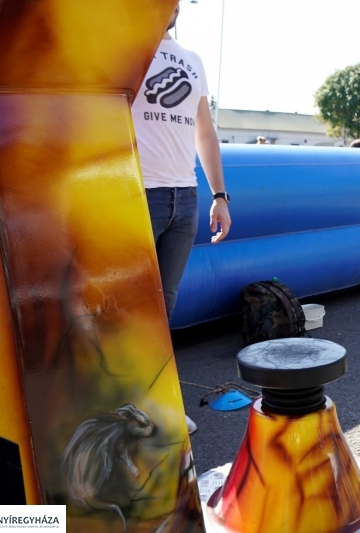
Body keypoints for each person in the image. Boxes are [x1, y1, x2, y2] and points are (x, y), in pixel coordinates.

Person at [131, 6, 232, 434]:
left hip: (184, 197)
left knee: (161, 308)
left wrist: (220, 195)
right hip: (137, 193)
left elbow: (204, 131)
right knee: (129, 306)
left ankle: (153, 403)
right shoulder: (126, 50)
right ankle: (122, 403)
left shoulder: (192, 59)